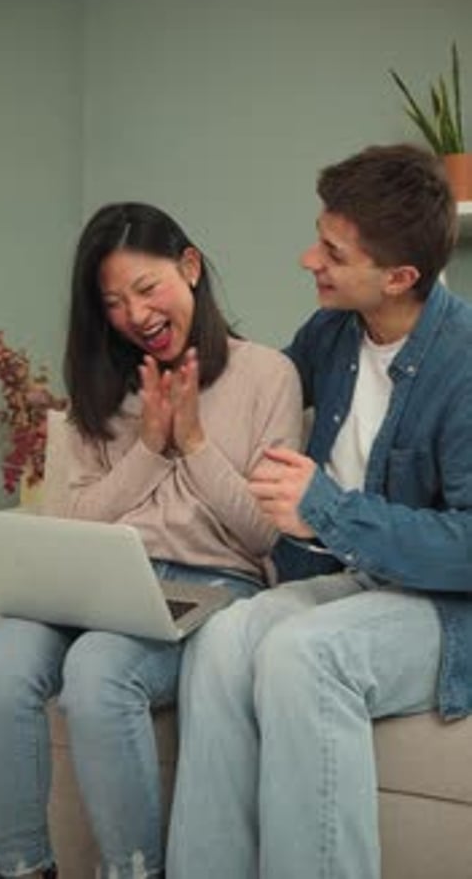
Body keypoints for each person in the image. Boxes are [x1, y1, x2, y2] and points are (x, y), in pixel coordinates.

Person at [166, 144, 472, 879]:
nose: (310, 259)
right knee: (221, 641)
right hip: (351, 581)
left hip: (444, 604)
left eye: (333, 251)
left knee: (304, 655)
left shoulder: (465, 363)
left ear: (399, 276)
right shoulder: (333, 332)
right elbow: (251, 394)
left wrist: (326, 510)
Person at [0, 202, 303, 879]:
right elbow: (77, 523)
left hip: (211, 582)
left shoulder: (267, 375)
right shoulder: (102, 383)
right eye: (114, 302)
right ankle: (17, 866)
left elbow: (263, 534)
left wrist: (195, 444)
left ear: (190, 267)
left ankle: (133, 872)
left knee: (98, 673)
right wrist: (149, 448)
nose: (134, 314)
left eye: (146, 289)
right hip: (99, 579)